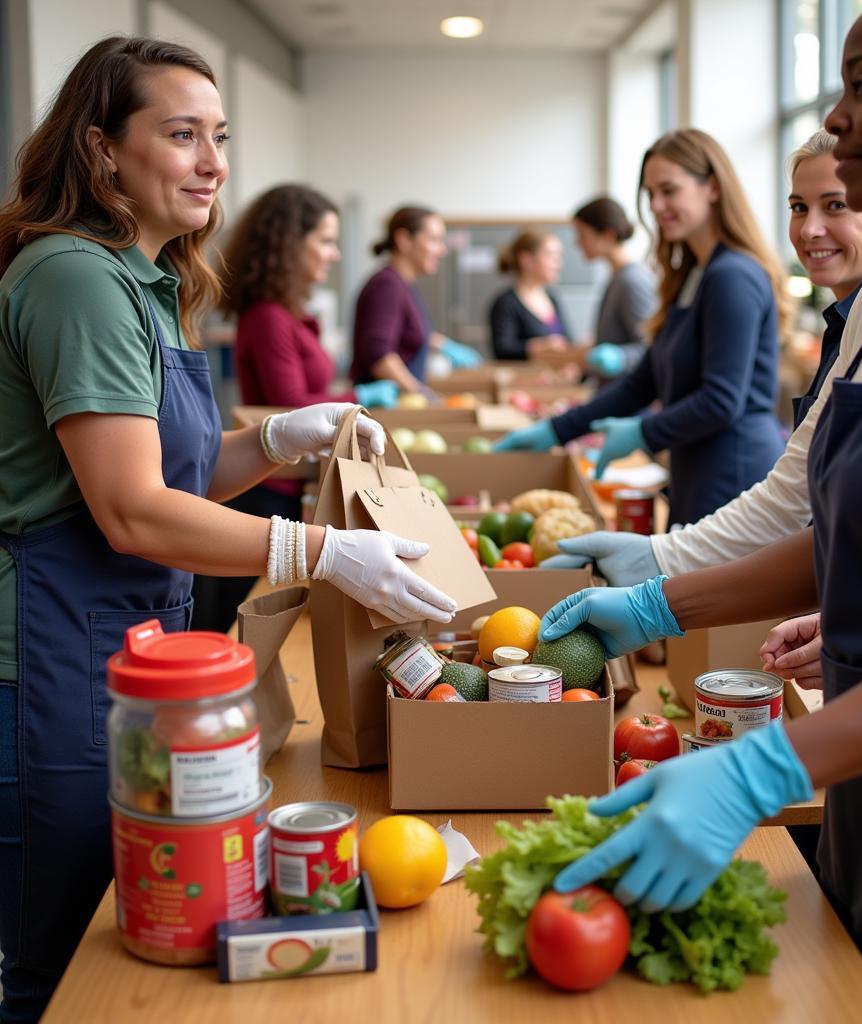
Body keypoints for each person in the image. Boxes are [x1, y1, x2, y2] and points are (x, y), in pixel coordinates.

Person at [540, 2, 862, 1020]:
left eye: (860, 85)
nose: (837, 125)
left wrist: (760, 768)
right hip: (860, 770)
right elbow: (829, 524)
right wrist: (656, 602)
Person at [0, 38, 456, 1023]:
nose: (213, 162)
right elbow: (129, 510)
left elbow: (176, 474)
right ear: (102, 151)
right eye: (180, 135)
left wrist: (280, 438)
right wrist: (322, 550)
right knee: (56, 961)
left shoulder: (151, 286)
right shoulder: (74, 278)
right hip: (43, 664)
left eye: (219, 136)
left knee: (128, 931)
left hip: (124, 651)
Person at [546, 127, 862, 682]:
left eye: (836, 205)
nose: (810, 228)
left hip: (734, 474)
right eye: (798, 207)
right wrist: (658, 563)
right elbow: (802, 498)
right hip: (770, 533)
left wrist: (659, 582)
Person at [496, 129, 788, 528]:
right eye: (650, 194)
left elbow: (722, 399)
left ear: (713, 187)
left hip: (732, 471)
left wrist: (643, 432)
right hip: (695, 467)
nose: (656, 206)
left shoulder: (731, 275)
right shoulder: (693, 274)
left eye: (669, 191)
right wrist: (557, 429)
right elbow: (644, 381)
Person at [189, 184, 398, 632]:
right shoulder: (267, 317)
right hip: (268, 494)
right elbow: (292, 408)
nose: (334, 253)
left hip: (289, 488)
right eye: (324, 240)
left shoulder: (288, 314)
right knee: (243, 620)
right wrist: (359, 398)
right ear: (288, 244)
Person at [349, 205, 480, 394]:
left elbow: (406, 333)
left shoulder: (403, 285)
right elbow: (380, 357)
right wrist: (419, 392)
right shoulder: (387, 286)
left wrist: (443, 344)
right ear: (404, 240)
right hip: (383, 413)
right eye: (434, 240)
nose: (442, 250)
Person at [572, 195, 657, 378]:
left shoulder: (632, 281)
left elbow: (651, 348)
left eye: (582, 235)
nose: (577, 243)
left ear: (608, 235)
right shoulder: (616, 278)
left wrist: (615, 358)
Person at [488, 230, 572, 360]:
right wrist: (539, 347)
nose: (558, 264)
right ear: (526, 259)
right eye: (551, 256)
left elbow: (568, 341)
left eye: (559, 257)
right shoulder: (506, 303)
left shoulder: (552, 298)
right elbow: (502, 350)